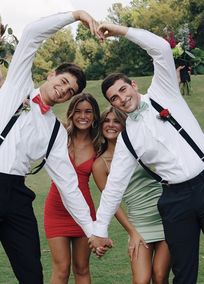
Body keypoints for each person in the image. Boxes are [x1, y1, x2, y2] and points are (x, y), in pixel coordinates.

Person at [0, 10, 112, 283]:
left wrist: (91, 230)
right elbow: (32, 35)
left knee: (32, 271)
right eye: (63, 82)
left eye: (70, 91)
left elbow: (69, 184)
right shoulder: (17, 87)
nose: (64, 90)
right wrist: (76, 15)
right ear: (51, 74)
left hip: (17, 195)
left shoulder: (55, 130)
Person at [89, 22, 204, 284]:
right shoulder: (128, 137)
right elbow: (114, 186)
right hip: (175, 200)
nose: (121, 98)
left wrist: (120, 31)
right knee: (184, 273)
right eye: (114, 98)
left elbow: (161, 48)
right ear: (112, 105)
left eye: (122, 90)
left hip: (203, 179)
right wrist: (99, 229)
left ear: (132, 85)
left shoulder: (164, 92)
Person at [92, 107, 170, 283]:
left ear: (124, 125)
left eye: (116, 121)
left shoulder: (139, 147)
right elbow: (112, 204)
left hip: (165, 217)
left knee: (160, 275)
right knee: (141, 280)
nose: (111, 125)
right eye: (107, 121)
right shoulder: (100, 164)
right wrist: (132, 232)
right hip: (139, 224)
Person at [44, 92, 100, 284]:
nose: (82, 116)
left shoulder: (99, 143)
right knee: (61, 269)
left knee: (82, 268)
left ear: (94, 116)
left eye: (88, 112)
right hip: (56, 210)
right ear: (71, 113)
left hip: (84, 211)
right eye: (77, 111)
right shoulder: (59, 135)